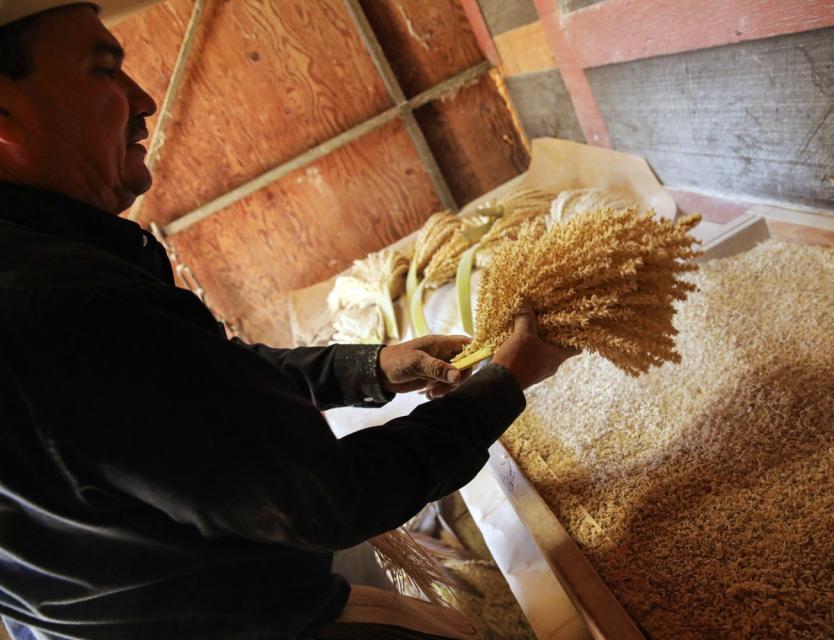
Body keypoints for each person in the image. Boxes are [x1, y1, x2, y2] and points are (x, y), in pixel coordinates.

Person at [0, 3, 575, 639]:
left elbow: (199, 387)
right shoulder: (64, 307)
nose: (144, 100)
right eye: (104, 71)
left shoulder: (49, 274)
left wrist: (369, 367)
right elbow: (330, 500)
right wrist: (504, 385)